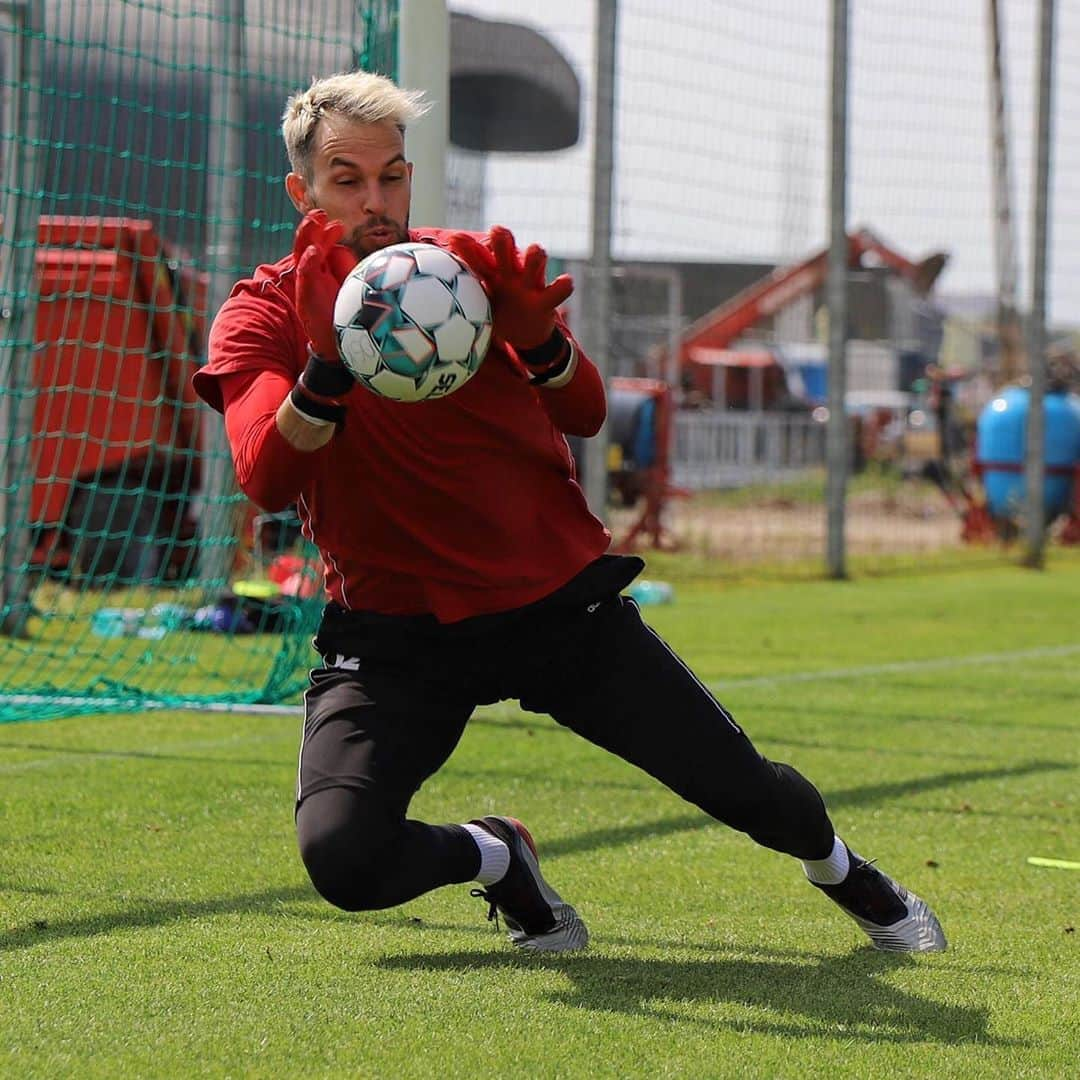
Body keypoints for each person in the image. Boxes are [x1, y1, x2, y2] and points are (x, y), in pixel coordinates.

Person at [192, 70, 947, 955]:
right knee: (344, 860)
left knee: (753, 794)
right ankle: (497, 857)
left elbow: (587, 412)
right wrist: (327, 364)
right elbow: (264, 475)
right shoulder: (261, 311)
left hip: (554, 609)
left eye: (391, 175)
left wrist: (541, 341)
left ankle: (844, 872)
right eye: (346, 179)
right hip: (395, 632)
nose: (376, 200)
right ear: (303, 190)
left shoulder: (465, 273)